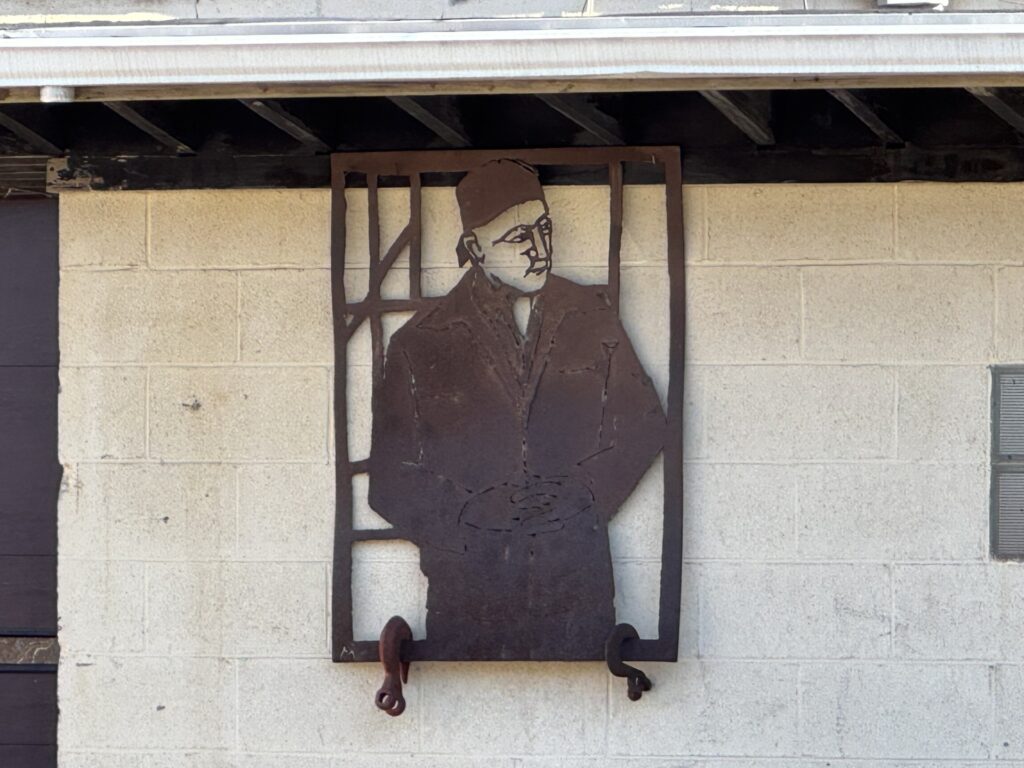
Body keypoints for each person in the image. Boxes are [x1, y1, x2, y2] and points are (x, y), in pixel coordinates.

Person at [368, 159, 666, 659]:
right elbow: (389, 479)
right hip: (469, 595)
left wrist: (583, 494)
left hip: (577, 586)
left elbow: (644, 425)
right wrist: (470, 513)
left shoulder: (592, 316)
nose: (540, 249)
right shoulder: (418, 343)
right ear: (475, 249)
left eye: (544, 229)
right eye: (517, 237)